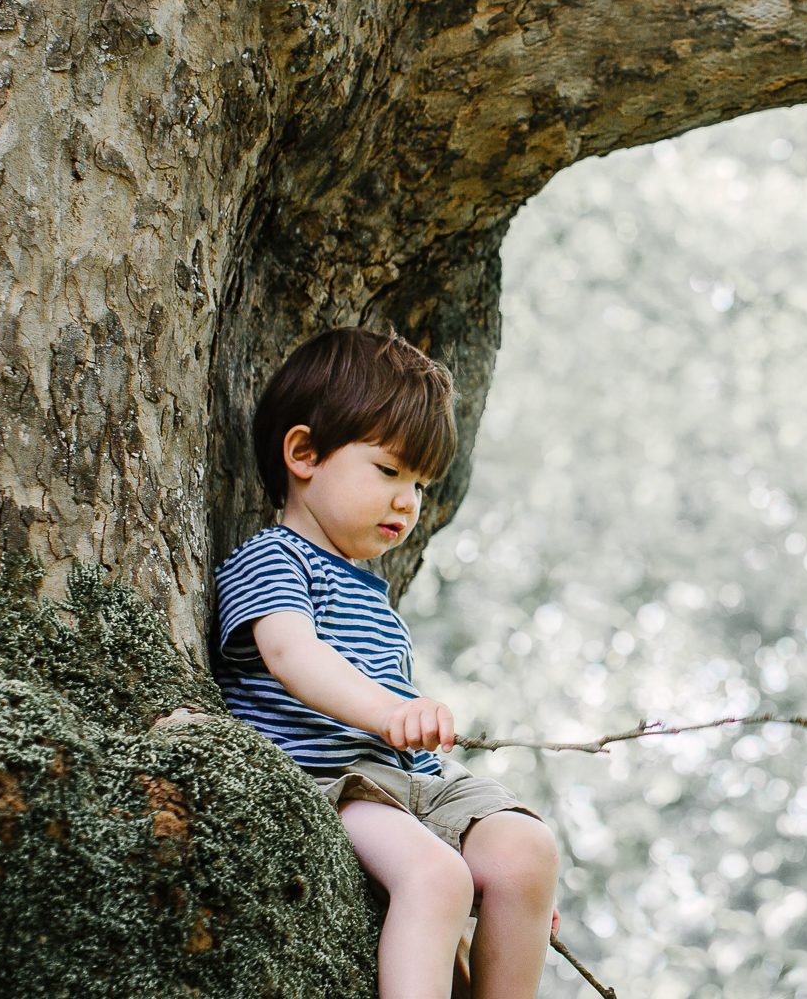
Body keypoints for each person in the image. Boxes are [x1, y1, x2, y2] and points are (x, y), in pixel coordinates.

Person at [213, 326, 560, 999]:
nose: (409, 502)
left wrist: (517, 888)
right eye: (389, 471)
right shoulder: (272, 559)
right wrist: (391, 711)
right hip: (329, 780)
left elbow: (409, 748)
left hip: (404, 783)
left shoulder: (373, 594)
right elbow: (291, 655)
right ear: (304, 453)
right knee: (437, 878)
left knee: (527, 852)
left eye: (422, 484)